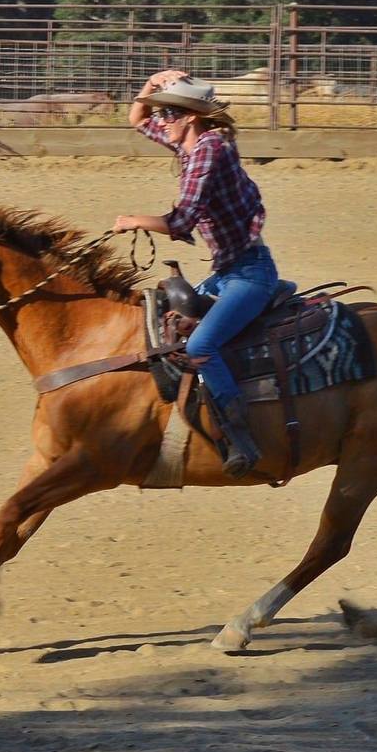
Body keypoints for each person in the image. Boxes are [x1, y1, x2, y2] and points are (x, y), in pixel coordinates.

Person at [113, 70, 279, 477]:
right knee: (169, 323)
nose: (161, 119)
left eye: (169, 113)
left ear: (190, 116)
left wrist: (135, 220)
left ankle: (238, 435)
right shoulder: (187, 144)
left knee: (201, 344)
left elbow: (183, 220)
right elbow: (136, 119)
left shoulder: (209, 149)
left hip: (249, 274)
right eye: (163, 113)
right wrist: (152, 84)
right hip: (227, 271)